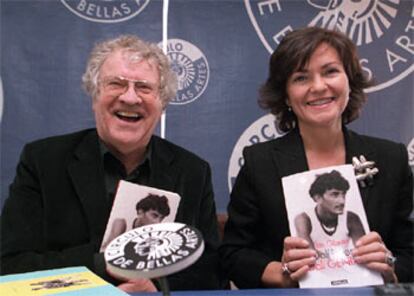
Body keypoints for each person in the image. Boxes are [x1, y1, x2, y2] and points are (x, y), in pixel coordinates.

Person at [0, 35, 223, 292]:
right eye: (116, 84)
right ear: (95, 96)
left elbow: (211, 273)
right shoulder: (43, 161)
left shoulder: (193, 171)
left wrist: (158, 286)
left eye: (144, 87)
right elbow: (10, 266)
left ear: (162, 104)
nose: (130, 98)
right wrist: (105, 266)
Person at [220, 27, 413, 288]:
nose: (319, 86)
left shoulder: (391, 158)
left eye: (330, 71)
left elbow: (410, 252)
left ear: (349, 81)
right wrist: (283, 272)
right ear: (286, 95)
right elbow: (233, 254)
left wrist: (389, 265)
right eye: (301, 78)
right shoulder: (260, 162)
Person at [295, 170, 365, 255]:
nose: (342, 201)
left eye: (343, 194)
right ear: (318, 198)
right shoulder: (304, 219)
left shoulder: (351, 218)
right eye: (335, 195)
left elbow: (364, 253)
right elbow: (309, 255)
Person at [101, 193, 171, 251]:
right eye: (154, 215)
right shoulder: (122, 223)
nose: (158, 222)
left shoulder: (152, 236)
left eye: (161, 218)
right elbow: (107, 253)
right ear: (140, 212)